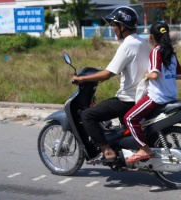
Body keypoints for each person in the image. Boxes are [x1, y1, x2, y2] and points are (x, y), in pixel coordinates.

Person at [72, 6, 150, 163]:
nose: (113, 29)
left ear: (122, 26)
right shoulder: (143, 42)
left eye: (114, 25)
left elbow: (107, 74)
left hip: (128, 99)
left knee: (88, 115)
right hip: (143, 96)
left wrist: (82, 79)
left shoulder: (127, 45)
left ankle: (107, 151)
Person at [124, 21, 181, 163]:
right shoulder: (171, 54)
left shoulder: (156, 51)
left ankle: (144, 149)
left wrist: (146, 75)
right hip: (171, 96)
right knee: (144, 121)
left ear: (151, 37)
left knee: (130, 118)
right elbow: (179, 75)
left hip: (157, 97)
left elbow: (155, 75)